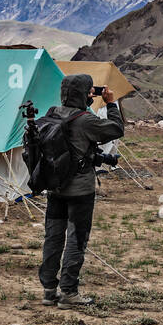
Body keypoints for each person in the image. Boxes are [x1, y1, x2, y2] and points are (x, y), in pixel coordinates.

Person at [38, 73, 123, 308]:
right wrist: (110, 103)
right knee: (76, 239)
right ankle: (69, 292)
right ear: (83, 94)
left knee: (53, 237)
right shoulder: (85, 120)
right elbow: (116, 129)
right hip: (80, 191)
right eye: (88, 91)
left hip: (55, 187)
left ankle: (48, 290)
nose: (91, 95)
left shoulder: (52, 113)